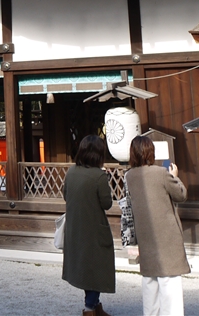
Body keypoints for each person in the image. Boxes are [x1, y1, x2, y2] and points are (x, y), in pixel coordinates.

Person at [126, 136, 190, 316]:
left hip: (145, 234)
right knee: (169, 282)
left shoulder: (130, 176)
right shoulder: (161, 173)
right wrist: (174, 176)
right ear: (150, 152)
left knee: (150, 282)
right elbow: (181, 195)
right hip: (166, 234)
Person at [62, 134, 115, 316]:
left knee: (86, 268)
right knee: (96, 267)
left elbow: (66, 195)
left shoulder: (71, 172)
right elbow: (107, 203)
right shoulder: (99, 176)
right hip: (94, 230)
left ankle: (94, 305)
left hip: (75, 228)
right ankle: (90, 308)